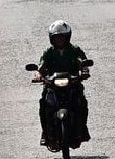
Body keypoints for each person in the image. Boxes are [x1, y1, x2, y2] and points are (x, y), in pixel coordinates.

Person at [35, 20, 91, 149]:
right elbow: (41, 67)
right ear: (51, 39)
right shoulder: (48, 52)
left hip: (73, 84)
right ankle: (46, 134)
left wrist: (84, 71)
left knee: (81, 103)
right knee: (44, 105)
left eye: (62, 37)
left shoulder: (75, 50)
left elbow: (83, 62)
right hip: (52, 86)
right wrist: (39, 75)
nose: (59, 40)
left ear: (67, 37)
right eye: (56, 38)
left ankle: (82, 131)